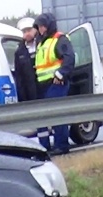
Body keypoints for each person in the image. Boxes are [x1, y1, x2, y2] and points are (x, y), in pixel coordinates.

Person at [32, 12, 75, 155]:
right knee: (42, 117)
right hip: (42, 85)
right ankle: (44, 147)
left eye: (43, 26)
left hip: (56, 83)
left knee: (57, 115)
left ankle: (61, 146)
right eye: (39, 27)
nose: (41, 29)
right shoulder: (41, 42)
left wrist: (60, 74)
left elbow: (69, 58)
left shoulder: (59, 39)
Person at [12, 17, 39, 104]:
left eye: (29, 30)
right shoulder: (19, 52)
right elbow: (19, 76)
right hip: (29, 93)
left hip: (43, 89)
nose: (27, 33)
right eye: (24, 31)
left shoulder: (42, 45)